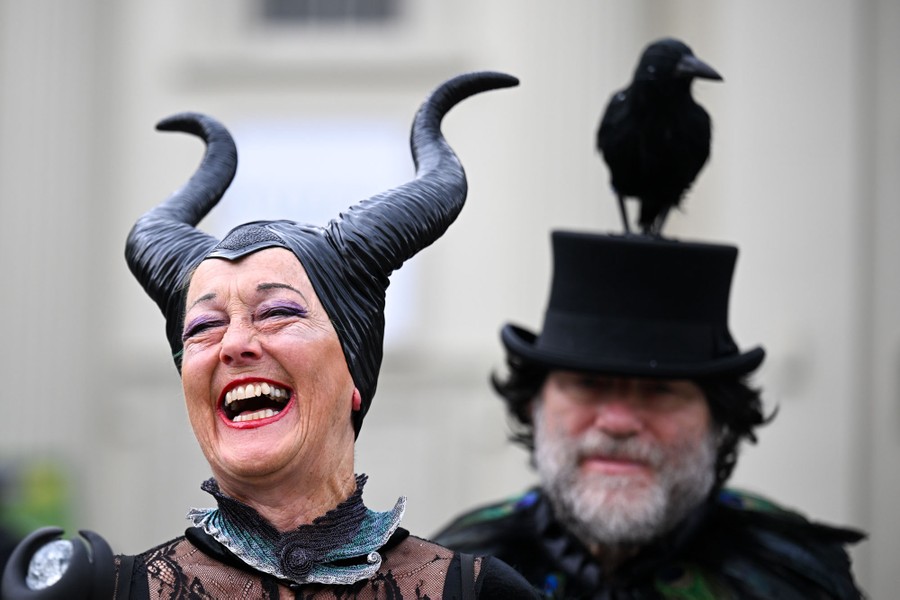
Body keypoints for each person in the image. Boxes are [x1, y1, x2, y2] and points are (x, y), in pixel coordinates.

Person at [2, 71, 540, 599]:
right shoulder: (106, 593)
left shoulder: (476, 590)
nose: (235, 344)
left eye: (277, 313)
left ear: (355, 373)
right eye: (204, 326)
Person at [433, 231, 866, 598]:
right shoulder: (448, 575)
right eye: (587, 384)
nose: (618, 423)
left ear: (719, 421)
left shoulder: (797, 579)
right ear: (534, 404)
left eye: (660, 390)